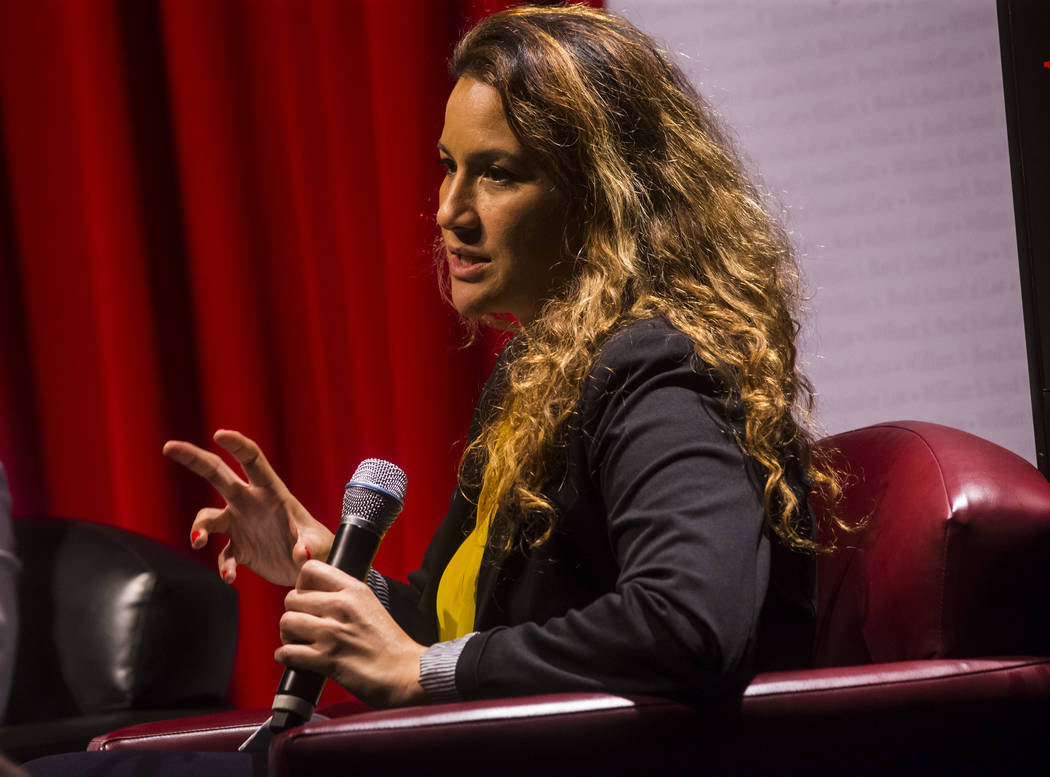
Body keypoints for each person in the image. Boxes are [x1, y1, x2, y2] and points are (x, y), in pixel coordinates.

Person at [24, 4, 841, 773]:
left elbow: (686, 621)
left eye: (498, 174)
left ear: (606, 199)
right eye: (449, 167)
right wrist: (330, 566)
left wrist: (425, 672)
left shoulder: (664, 366)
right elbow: (455, 624)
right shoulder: (540, 370)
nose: (450, 210)